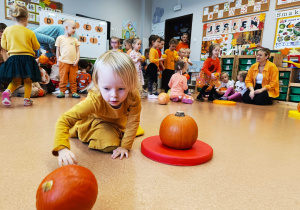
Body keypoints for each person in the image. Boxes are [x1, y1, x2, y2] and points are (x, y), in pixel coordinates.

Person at [52, 51, 141, 166]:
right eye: (107, 88)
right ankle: (78, 129)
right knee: (109, 145)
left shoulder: (134, 97)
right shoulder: (95, 100)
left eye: (121, 89)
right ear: (97, 83)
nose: (114, 95)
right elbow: (63, 120)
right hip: (96, 120)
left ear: (131, 84)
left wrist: (125, 147)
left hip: (118, 121)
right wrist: (62, 148)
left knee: (127, 135)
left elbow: (133, 122)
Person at [0, 3, 41, 107]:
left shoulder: (7, 30)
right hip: (27, 58)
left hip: (13, 58)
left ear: (13, 18)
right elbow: (36, 46)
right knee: (28, 80)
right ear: (27, 17)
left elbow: (3, 45)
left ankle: (7, 91)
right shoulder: (30, 32)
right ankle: (27, 100)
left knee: (16, 80)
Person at [55, 19, 81, 99]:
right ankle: (62, 91)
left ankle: (74, 92)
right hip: (63, 62)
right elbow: (58, 50)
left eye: (75, 28)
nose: (74, 30)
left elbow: (77, 51)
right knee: (63, 78)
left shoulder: (75, 39)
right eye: (73, 28)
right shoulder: (60, 38)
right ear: (66, 27)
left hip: (73, 63)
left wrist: (77, 60)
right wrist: (58, 61)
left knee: (73, 78)